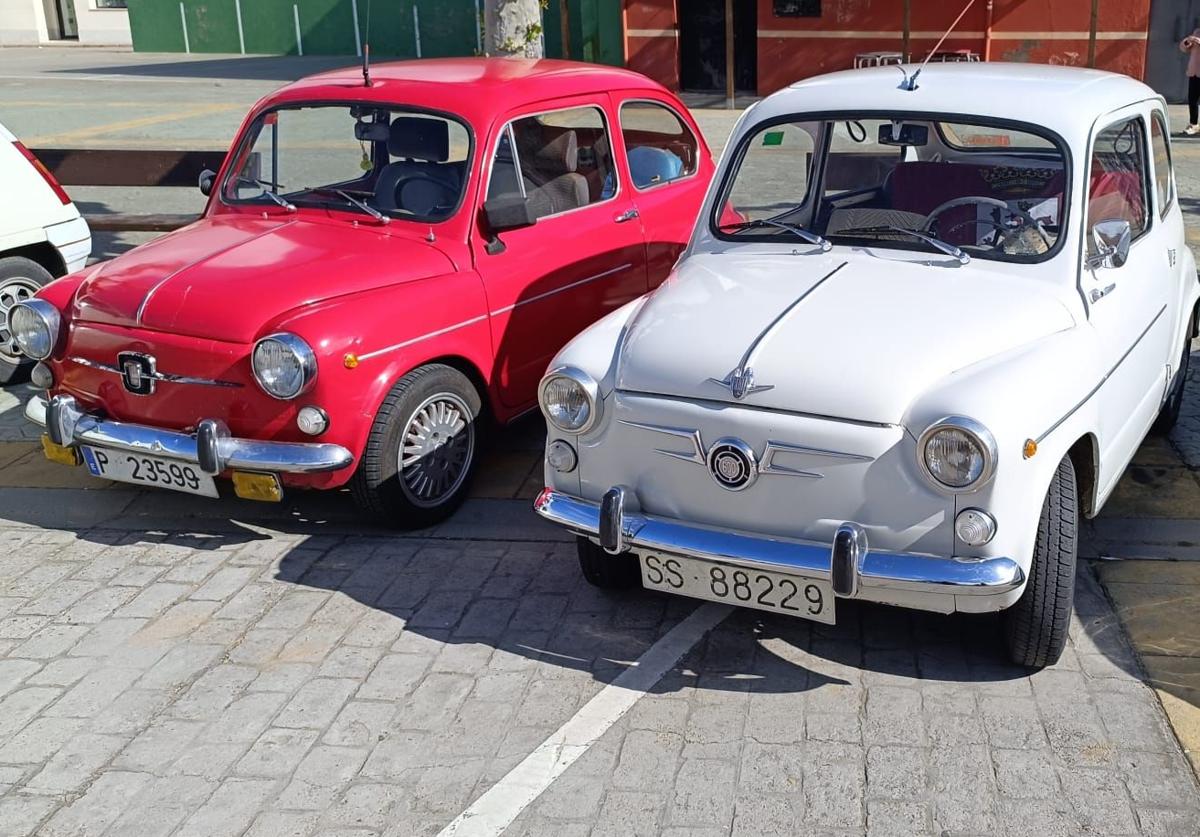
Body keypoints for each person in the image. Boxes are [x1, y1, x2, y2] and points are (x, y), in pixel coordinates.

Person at [1181, 28, 1200, 135]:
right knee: (1193, 100)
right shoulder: (1197, 32)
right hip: (1194, 72)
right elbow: (1184, 49)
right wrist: (1187, 42)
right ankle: (1194, 124)